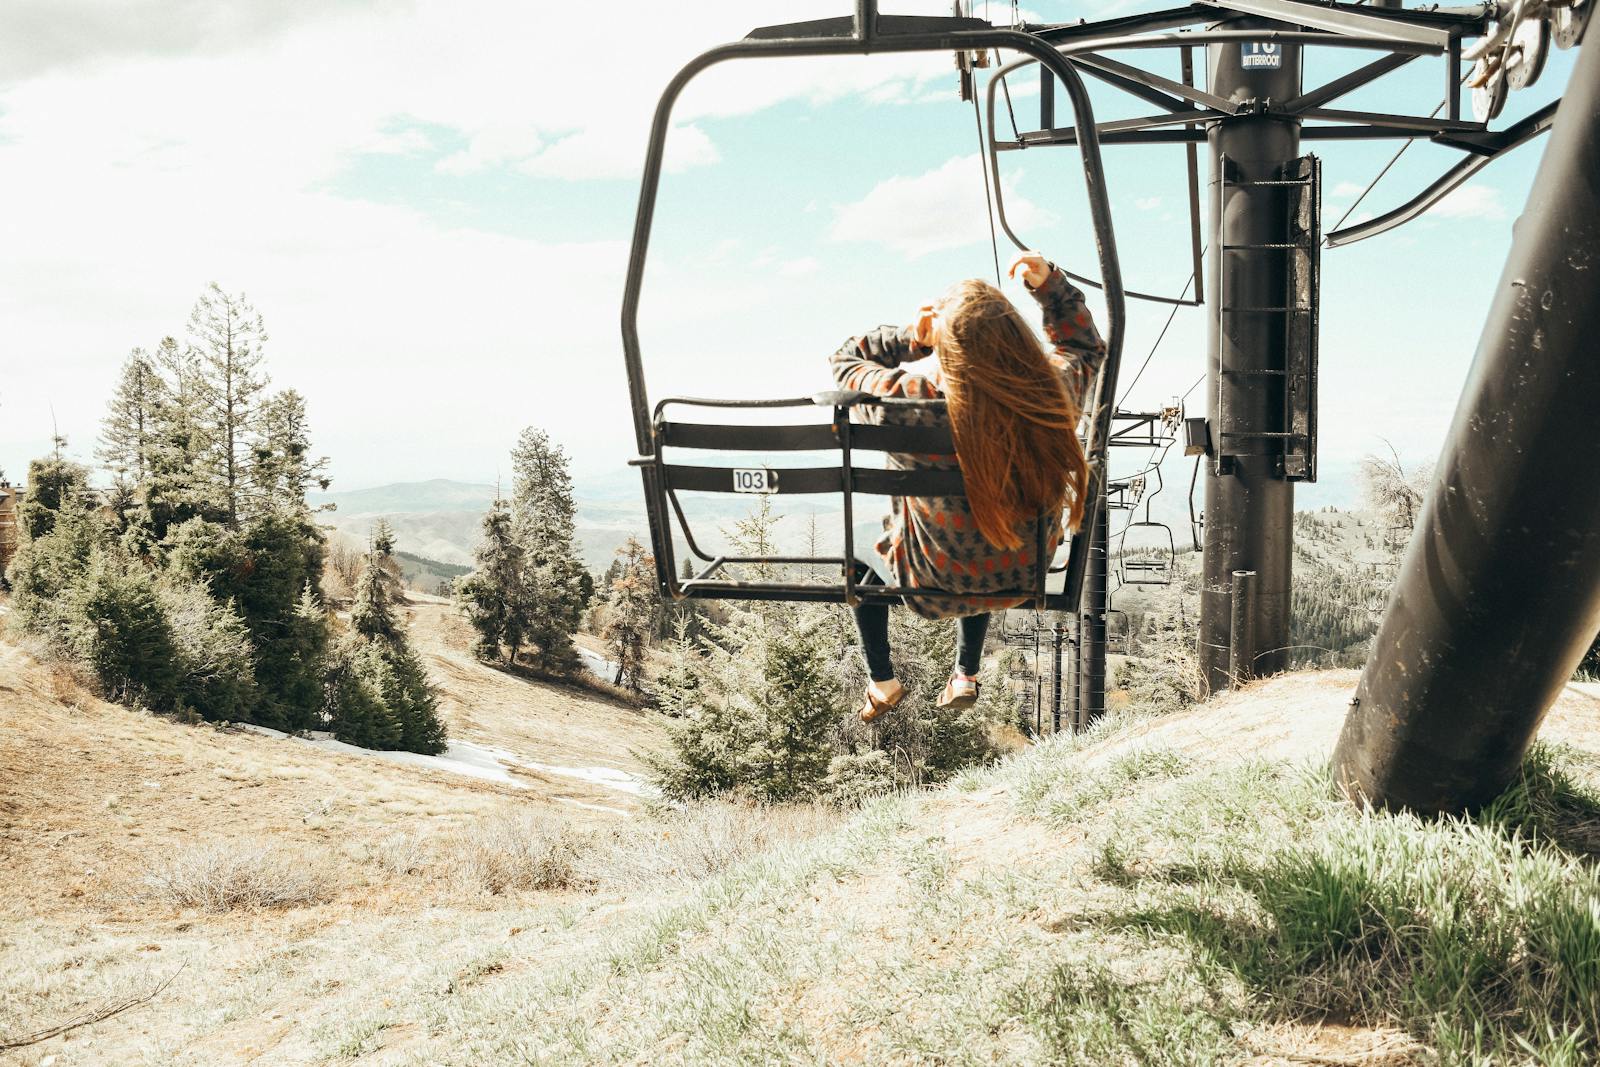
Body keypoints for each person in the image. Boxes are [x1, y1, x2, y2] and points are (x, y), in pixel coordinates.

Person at [828, 250, 1107, 722]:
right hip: (1019, 578)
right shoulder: (1052, 391)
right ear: (1014, 338)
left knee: (861, 556)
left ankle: (882, 679)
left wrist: (911, 341)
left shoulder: (910, 405)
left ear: (946, 346)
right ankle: (965, 671)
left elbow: (844, 361)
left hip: (927, 587)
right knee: (985, 522)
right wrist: (1050, 290)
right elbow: (1086, 350)